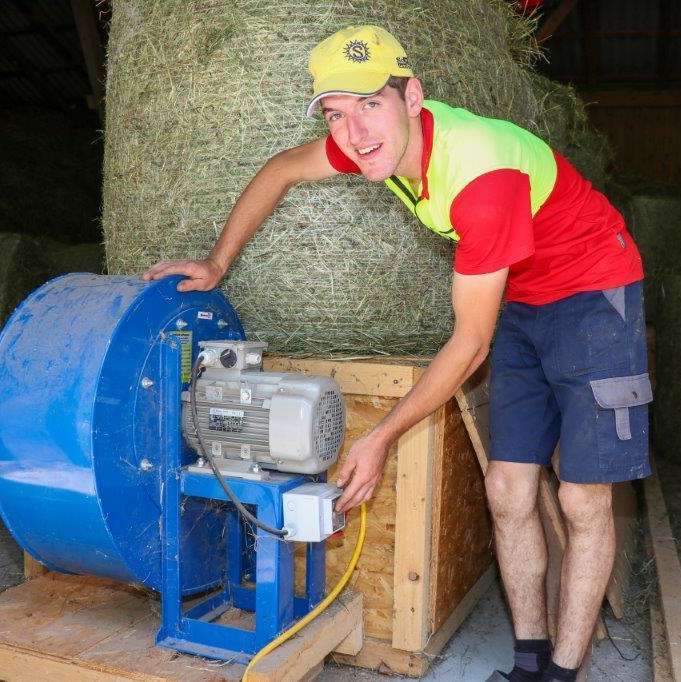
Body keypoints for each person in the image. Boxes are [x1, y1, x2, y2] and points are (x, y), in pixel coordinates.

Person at [143, 25, 652, 682]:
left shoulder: (481, 174)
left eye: (368, 105)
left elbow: (467, 345)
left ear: (412, 96)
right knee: (505, 489)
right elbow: (280, 170)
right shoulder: (367, 145)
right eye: (335, 113)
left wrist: (381, 435)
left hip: (592, 292)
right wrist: (216, 262)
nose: (352, 132)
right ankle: (528, 663)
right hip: (518, 300)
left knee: (583, 501)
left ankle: (561, 672)